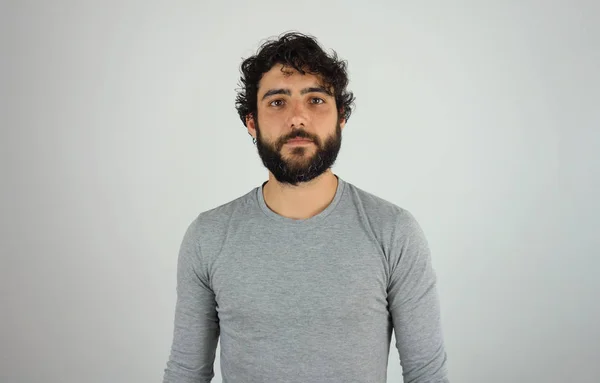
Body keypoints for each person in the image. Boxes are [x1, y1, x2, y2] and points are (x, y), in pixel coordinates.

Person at [163, 32, 449, 383]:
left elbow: (426, 374)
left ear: (341, 117)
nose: (298, 118)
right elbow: (186, 373)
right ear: (252, 121)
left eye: (315, 100)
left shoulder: (394, 231)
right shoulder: (208, 236)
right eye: (277, 102)